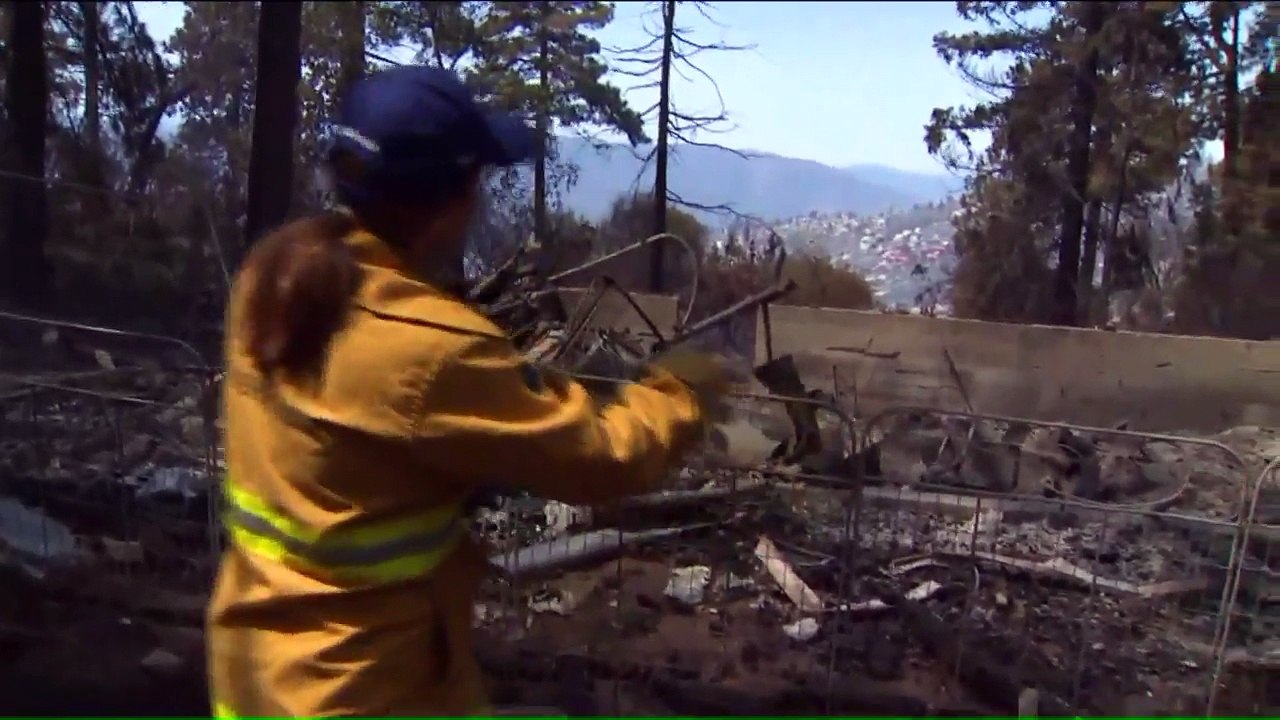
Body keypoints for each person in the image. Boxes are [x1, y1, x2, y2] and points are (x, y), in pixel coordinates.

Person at [206, 65, 730, 718]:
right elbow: (602, 457)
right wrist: (681, 394)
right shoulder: (434, 347)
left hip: (256, 679)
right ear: (452, 198)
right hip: (370, 693)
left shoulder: (272, 275)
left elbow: (347, 441)